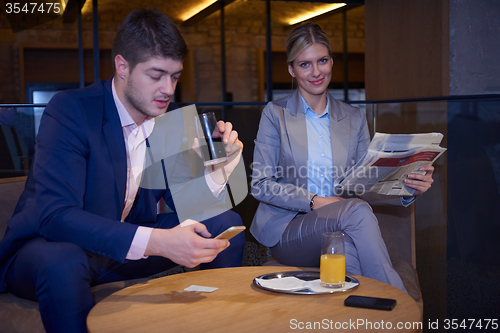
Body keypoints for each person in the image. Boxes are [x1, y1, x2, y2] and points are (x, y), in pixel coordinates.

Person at [0, 8, 245, 333]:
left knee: (223, 222)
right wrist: (158, 241)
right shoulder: (72, 109)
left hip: (119, 250)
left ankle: (209, 325)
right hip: (47, 249)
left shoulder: (170, 118)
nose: (168, 89)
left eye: (174, 76)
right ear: (122, 67)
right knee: (63, 261)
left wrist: (218, 169)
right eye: (156, 75)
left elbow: (191, 204)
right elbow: (56, 216)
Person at [250, 23, 434, 292]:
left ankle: (373, 316)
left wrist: (407, 188)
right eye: (305, 64)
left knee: (346, 251)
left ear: (331, 62)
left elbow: (364, 185)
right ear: (291, 69)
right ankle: (399, 305)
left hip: (341, 228)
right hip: (289, 230)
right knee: (356, 209)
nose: (316, 72)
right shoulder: (275, 114)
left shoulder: (354, 117)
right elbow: (261, 184)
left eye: (322, 61)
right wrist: (315, 201)